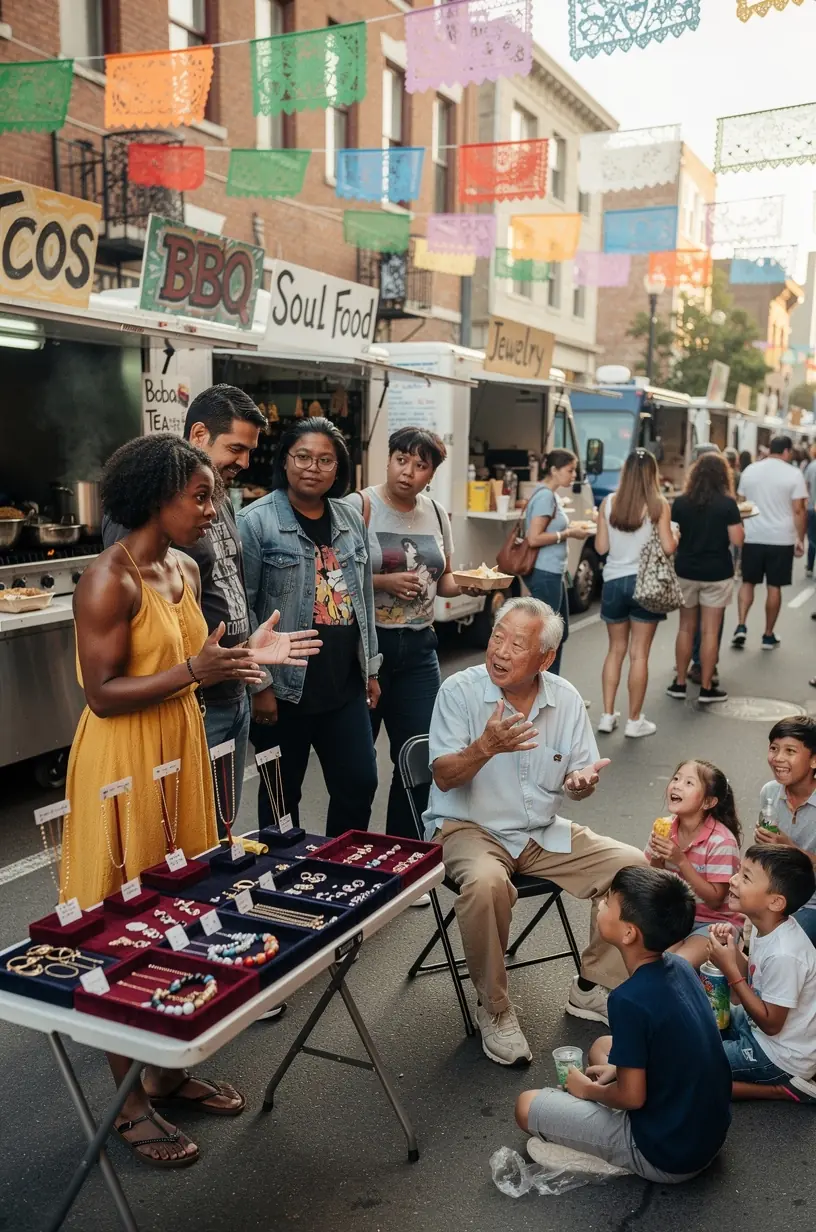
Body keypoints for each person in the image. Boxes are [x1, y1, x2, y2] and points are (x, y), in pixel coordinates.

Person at [63, 435, 277, 1167]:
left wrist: (250, 659)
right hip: (122, 758)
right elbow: (101, 693)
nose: (210, 508)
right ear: (158, 496)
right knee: (121, 924)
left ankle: (167, 1068)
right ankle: (128, 1104)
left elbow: (201, 663)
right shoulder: (108, 580)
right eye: (200, 495)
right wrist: (194, 666)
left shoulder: (186, 565)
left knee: (180, 910)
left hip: (180, 748)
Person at [424, 596, 647, 1066]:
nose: (500, 651)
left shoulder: (563, 698)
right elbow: (444, 775)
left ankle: (591, 987)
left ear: (544, 658)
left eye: (516, 644)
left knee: (632, 867)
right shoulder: (459, 692)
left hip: (539, 832)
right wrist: (485, 747)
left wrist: (581, 784)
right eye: (496, 637)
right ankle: (496, 1009)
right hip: (470, 828)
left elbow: (580, 778)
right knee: (486, 883)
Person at [102, 385, 320, 829]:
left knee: (218, 834)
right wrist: (196, 671)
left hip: (231, 694)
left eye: (249, 451)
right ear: (199, 433)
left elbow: (231, 588)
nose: (244, 462)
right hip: (190, 705)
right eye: (236, 448)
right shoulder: (145, 514)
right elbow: (145, 615)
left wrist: (251, 663)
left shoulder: (214, 497)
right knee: (178, 840)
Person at [515, 866, 732, 1182]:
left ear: (629, 933)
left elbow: (633, 1099)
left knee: (525, 1106)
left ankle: (617, 1157)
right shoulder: (680, 966)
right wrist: (616, 1072)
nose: (601, 903)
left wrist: (588, 1090)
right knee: (604, 1048)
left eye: (608, 902)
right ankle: (607, 1130)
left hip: (668, 1156)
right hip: (707, 1135)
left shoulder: (628, 1000)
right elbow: (675, 1046)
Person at [240, 417, 380, 837]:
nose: (312, 467)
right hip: (284, 691)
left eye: (325, 459)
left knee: (359, 783)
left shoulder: (349, 519)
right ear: (285, 461)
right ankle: (283, 888)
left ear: (338, 470)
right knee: (282, 798)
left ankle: (341, 872)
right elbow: (242, 609)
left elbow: (365, 599)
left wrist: (371, 669)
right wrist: (260, 685)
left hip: (345, 686)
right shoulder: (255, 521)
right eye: (302, 456)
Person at [707, 847, 816, 1102]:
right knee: (700, 1018)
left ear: (776, 901)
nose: (733, 880)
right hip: (756, 1028)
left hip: (781, 1056)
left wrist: (729, 970)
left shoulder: (785, 954)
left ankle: (781, 1090)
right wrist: (732, 951)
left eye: (745, 877)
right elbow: (754, 975)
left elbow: (771, 1024)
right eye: (738, 872)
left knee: (696, 1071)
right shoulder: (765, 926)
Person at [594, 450, 676, 738]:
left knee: (615, 650)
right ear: (652, 473)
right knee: (639, 654)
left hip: (614, 583)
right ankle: (633, 720)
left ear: (625, 471)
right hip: (646, 583)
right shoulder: (659, 505)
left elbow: (601, 548)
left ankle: (606, 715)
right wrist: (675, 535)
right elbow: (667, 547)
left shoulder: (608, 503)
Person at [644, 760, 743, 969]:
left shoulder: (722, 842)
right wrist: (657, 858)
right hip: (676, 916)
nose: (677, 785)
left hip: (713, 923)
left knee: (678, 964)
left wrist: (681, 861)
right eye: (676, 778)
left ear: (708, 802)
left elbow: (716, 900)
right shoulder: (664, 827)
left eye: (689, 783)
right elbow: (652, 880)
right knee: (650, 962)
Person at [666, 453, 744, 703]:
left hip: (686, 570)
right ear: (724, 476)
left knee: (685, 628)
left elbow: (672, 537)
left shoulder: (680, 503)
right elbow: (737, 540)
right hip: (717, 572)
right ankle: (707, 688)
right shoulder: (727, 504)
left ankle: (679, 684)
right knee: (710, 632)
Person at [732, 435, 807, 651]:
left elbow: (741, 503)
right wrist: (799, 539)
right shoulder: (793, 474)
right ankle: (767, 635)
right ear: (786, 452)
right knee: (774, 587)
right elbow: (799, 509)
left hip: (753, 535)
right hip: (781, 539)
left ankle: (741, 625)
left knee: (748, 582)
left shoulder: (750, 471)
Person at [523, 448, 592, 677]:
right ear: (554, 470)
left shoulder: (549, 495)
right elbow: (534, 538)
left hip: (553, 571)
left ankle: (552, 687)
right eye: (570, 470)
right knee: (549, 637)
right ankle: (543, 688)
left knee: (559, 633)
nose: (574, 475)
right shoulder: (544, 496)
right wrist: (568, 533)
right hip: (546, 572)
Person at [754, 717, 816, 945]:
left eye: (790, 751)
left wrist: (789, 849)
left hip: (811, 902)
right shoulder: (770, 792)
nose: (778, 758)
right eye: (773, 748)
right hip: (775, 894)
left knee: (781, 943)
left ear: (814, 760)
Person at [803, 443, 816, 577]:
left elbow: (805, 486)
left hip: (812, 507)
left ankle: (810, 567)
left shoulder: (811, 467)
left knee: (812, 538)